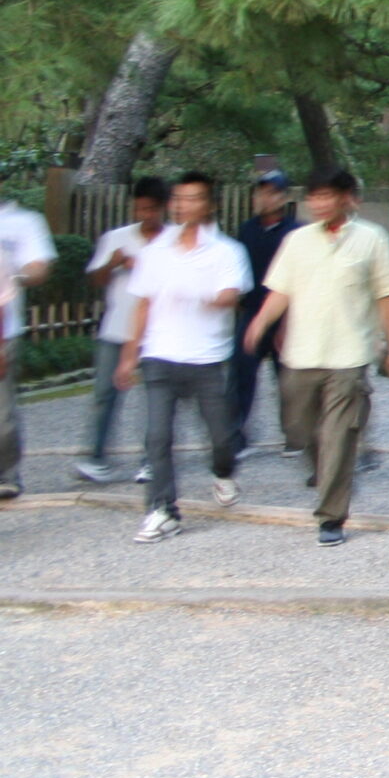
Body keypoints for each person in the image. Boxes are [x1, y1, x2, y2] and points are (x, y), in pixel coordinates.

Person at [245, 167, 389, 546]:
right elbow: (280, 291)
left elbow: (388, 295)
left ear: (346, 198)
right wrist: (260, 324)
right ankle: (328, 472)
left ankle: (331, 516)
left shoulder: (372, 240)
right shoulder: (297, 241)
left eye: (326, 196)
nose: (318, 203)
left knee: (338, 436)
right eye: (313, 197)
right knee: (299, 429)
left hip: (348, 357)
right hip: (301, 355)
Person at [117, 172, 250, 542]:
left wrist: (208, 298)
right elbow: (142, 304)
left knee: (222, 438)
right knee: (157, 437)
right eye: (178, 198)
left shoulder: (227, 251)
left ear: (209, 204)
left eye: (192, 199)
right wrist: (130, 355)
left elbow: (232, 294)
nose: (182, 205)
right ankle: (163, 510)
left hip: (207, 359)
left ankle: (222, 472)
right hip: (160, 355)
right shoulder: (155, 252)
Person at [75, 177, 169, 484]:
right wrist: (113, 263)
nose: (145, 214)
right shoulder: (116, 238)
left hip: (159, 330)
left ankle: (151, 460)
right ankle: (97, 457)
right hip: (116, 328)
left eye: (152, 209)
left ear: (163, 208)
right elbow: (95, 280)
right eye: (140, 208)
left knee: (155, 399)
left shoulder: (172, 241)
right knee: (105, 393)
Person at [229, 168, 301, 461]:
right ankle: (236, 436)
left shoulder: (295, 233)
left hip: (285, 314)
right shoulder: (246, 230)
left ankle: (295, 435)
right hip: (252, 311)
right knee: (241, 372)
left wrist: (288, 321)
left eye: (272, 192)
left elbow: (298, 279)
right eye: (261, 191)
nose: (264, 197)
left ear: (283, 197)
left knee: (288, 380)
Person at [0, 188, 58, 501]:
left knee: (2, 409)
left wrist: (15, 274)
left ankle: (6, 473)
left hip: (3, 329)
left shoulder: (22, 222)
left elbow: (40, 266)